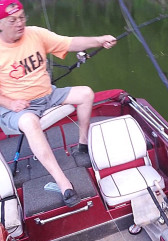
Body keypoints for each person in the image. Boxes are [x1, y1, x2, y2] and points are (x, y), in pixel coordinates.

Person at [0, 0, 117, 207]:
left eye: (21, 17)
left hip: (48, 94)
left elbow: (70, 43)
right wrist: (8, 102)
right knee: (29, 123)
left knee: (86, 94)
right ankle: (64, 184)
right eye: (12, 20)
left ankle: (82, 145)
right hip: (19, 107)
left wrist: (99, 40)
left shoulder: (35, 33)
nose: (19, 23)